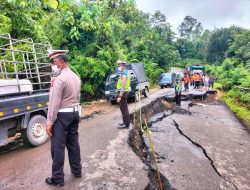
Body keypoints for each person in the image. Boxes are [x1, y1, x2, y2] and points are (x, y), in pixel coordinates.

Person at [45, 50, 82, 187]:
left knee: (57, 148)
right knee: (73, 144)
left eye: (54, 62)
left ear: (61, 62)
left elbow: (54, 103)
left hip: (62, 116)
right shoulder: (75, 77)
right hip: (74, 114)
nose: (53, 65)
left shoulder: (60, 79)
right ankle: (77, 171)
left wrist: (49, 122)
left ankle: (58, 178)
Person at [116, 60, 131, 129]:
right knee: (123, 109)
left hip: (123, 93)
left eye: (120, 65)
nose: (119, 66)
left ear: (124, 66)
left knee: (124, 109)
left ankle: (126, 124)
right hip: (124, 92)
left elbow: (123, 85)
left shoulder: (124, 74)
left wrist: (120, 95)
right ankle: (125, 122)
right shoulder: (124, 73)